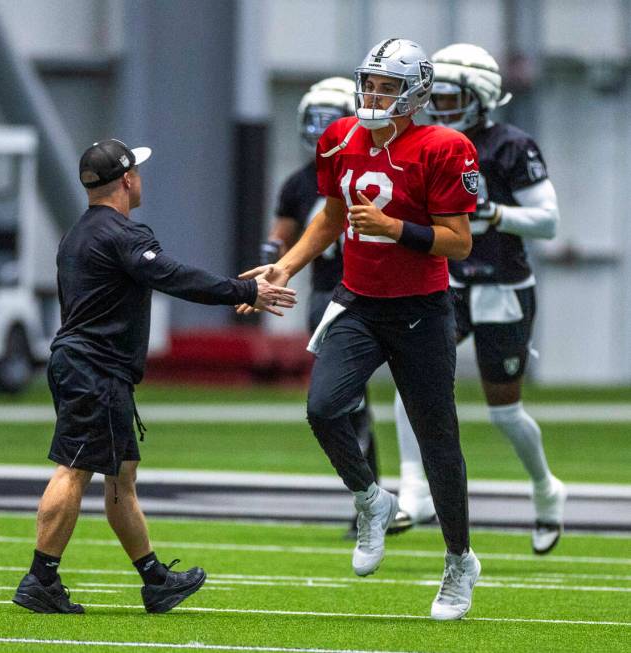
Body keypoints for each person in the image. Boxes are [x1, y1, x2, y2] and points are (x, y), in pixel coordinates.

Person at [239, 38, 481, 620]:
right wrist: (287, 265)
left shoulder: (445, 147)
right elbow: (329, 218)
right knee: (324, 408)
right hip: (359, 302)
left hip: (422, 308)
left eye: (387, 86)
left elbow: (459, 240)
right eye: (369, 83)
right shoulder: (340, 138)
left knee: (437, 438)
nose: (373, 95)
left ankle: (458, 561)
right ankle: (371, 501)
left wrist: (397, 229)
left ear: (414, 93)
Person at [12, 139, 296, 614]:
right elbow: (173, 275)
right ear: (127, 180)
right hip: (95, 369)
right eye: (137, 172)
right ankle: (40, 578)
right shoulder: (125, 236)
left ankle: (155, 579)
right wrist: (245, 290)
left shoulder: (77, 234)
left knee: (121, 473)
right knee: (75, 467)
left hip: (87, 365)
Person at [393, 43, 567, 556]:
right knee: (413, 382)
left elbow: (549, 222)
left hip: (502, 287)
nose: (442, 108)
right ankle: (414, 489)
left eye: (452, 98)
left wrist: (497, 215)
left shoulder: (511, 145)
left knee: (504, 414)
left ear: (482, 97)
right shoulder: (424, 143)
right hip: (448, 283)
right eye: (436, 98)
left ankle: (545, 488)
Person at [260, 77, 381, 539]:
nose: (319, 131)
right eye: (313, 120)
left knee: (358, 403)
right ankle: (369, 495)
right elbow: (283, 234)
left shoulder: (369, 166)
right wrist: (271, 255)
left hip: (371, 292)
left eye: (329, 121)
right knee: (343, 403)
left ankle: (398, 494)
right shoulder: (299, 181)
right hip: (325, 294)